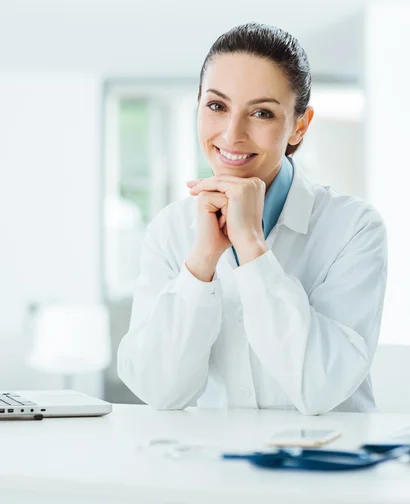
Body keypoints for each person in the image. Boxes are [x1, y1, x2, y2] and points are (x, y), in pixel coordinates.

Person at [117, 23, 387, 414]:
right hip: (215, 469)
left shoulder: (354, 228)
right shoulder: (170, 229)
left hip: (326, 467)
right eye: (216, 106)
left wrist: (252, 248)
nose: (232, 134)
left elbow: (319, 388)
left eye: (261, 113)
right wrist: (200, 266)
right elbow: (159, 391)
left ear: (300, 125)